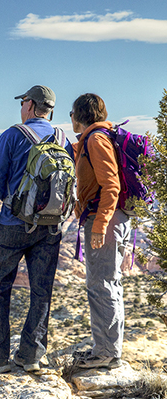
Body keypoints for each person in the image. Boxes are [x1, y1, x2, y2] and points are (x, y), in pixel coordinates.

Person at [0, 85, 74, 373]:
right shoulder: (62, 138)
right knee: (41, 291)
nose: (21, 107)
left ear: (29, 105)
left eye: (23, 102)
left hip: (13, 224)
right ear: (50, 110)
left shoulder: (13, 135)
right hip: (50, 227)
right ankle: (31, 356)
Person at [70, 93, 128, 369]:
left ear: (80, 115)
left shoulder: (96, 139)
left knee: (101, 285)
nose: (69, 118)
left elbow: (111, 185)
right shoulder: (94, 139)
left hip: (105, 220)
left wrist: (100, 225)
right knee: (109, 284)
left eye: (71, 113)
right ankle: (108, 349)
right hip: (113, 218)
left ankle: (105, 353)